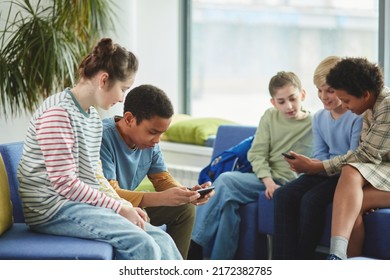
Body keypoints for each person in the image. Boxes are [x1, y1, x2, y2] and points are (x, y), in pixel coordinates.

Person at [16, 38, 182, 260]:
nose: (122, 98)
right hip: (52, 210)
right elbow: (66, 184)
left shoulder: (93, 118)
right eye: (123, 89)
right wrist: (119, 208)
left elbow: (95, 176)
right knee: (144, 245)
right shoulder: (57, 114)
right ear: (104, 80)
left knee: (162, 241)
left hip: (79, 204)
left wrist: (123, 205)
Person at [190, 71, 313, 260]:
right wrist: (268, 181)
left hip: (290, 183)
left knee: (225, 184)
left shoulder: (314, 123)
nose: (289, 106)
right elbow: (257, 153)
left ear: (302, 94)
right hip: (263, 179)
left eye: (293, 98)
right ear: (273, 102)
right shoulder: (270, 116)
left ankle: (194, 246)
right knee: (228, 201)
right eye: (281, 101)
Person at [285, 57, 390, 260]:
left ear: (365, 94)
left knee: (351, 170)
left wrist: (316, 166)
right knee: (356, 203)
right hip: (384, 172)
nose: (345, 105)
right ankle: (345, 265)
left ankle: (336, 256)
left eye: (348, 100)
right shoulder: (372, 105)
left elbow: (366, 155)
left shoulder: (387, 106)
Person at [99, 84, 214, 260]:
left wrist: (186, 193)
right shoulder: (102, 136)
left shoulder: (150, 144)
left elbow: (163, 179)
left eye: (161, 133)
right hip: (108, 207)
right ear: (129, 119)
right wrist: (162, 198)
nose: (157, 140)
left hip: (131, 204)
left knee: (185, 208)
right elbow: (110, 194)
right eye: (153, 132)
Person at [272, 56, 363, 260]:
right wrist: (309, 165)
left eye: (330, 90)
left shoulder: (356, 117)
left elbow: (353, 158)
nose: (324, 96)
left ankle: (304, 262)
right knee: (283, 195)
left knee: (311, 200)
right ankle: (284, 263)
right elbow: (321, 153)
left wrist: (316, 166)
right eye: (319, 90)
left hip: (345, 176)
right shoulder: (320, 118)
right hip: (323, 170)